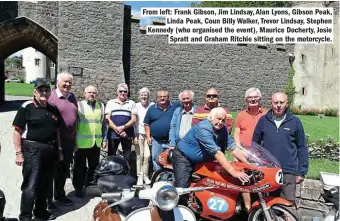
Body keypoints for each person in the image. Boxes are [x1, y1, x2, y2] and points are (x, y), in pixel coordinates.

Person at [13, 79, 62, 221]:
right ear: (34, 92)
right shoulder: (27, 107)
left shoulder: (53, 108)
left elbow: (57, 131)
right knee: (30, 185)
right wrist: (18, 153)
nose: (44, 93)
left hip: (50, 149)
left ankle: (40, 212)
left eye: (47, 90)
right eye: (41, 90)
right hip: (32, 148)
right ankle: (25, 216)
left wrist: (58, 150)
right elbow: (17, 131)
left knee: (45, 184)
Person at [172, 107, 250, 191]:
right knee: (182, 189)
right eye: (218, 119)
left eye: (223, 120)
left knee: (213, 182)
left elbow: (233, 148)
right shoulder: (203, 128)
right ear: (211, 118)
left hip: (204, 160)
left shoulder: (222, 129)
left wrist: (248, 164)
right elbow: (217, 153)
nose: (220, 122)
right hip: (184, 158)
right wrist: (234, 172)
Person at [252, 92, 309, 203]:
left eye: (281, 102)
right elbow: (255, 145)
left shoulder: (295, 122)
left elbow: (302, 147)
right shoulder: (263, 121)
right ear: (271, 103)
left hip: (288, 171)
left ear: (286, 103)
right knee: (268, 204)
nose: (278, 105)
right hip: (268, 170)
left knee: (287, 204)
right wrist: (256, 164)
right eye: (276, 102)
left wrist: (302, 171)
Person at [234, 88, 267, 211]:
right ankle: (248, 208)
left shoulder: (266, 114)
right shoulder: (241, 115)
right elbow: (237, 133)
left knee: (261, 180)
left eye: (255, 97)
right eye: (249, 98)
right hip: (243, 153)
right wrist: (238, 148)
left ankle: (261, 206)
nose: (252, 100)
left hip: (259, 153)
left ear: (259, 98)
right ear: (246, 100)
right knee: (244, 180)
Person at [48, 72, 78, 207]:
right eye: (65, 82)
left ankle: (59, 195)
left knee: (64, 169)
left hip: (69, 140)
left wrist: (75, 138)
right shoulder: (51, 97)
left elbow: (74, 118)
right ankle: (47, 200)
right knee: (51, 169)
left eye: (70, 82)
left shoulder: (72, 97)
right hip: (54, 140)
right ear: (57, 82)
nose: (67, 84)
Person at [72, 86, 106, 197]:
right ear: (84, 93)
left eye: (94, 92)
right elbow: (74, 125)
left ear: (97, 94)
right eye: (89, 92)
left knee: (94, 167)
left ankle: (90, 187)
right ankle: (78, 188)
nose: (92, 94)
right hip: (81, 144)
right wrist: (74, 140)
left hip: (96, 142)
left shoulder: (101, 106)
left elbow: (103, 125)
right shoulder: (79, 105)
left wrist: (104, 139)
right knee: (79, 168)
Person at [144, 89, 181, 172]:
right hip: (157, 141)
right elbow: (146, 124)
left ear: (168, 97)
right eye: (160, 97)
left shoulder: (176, 106)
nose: (162, 98)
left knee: (172, 160)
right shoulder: (152, 108)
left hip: (172, 141)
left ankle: (171, 179)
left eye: (164, 97)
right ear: (157, 98)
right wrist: (148, 136)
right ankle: (159, 177)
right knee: (156, 159)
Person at [105, 83, 136, 161]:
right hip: (113, 134)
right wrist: (116, 129)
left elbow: (133, 119)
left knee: (127, 157)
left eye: (125, 91)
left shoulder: (132, 103)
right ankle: (111, 172)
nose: (123, 93)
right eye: (120, 91)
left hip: (127, 134)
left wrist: (123, 128)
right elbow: (107, 118)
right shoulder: (110, 102)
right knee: (111, 157)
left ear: (127, 92)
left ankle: (125, 172)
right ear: (117, 92)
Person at [132, 87, 154, 185]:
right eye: (142, 94)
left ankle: (146, 175)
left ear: (148, 96)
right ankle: (139, 176)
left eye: (145, 94)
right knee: (139, 156)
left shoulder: (152, 106)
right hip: (139, 133)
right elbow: (134, 122)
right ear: (139, 96)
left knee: (147, 156)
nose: (144, 96)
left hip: (149, 134)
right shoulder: (136, 106)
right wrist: (135, 135)